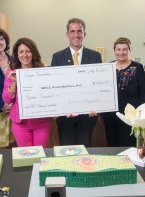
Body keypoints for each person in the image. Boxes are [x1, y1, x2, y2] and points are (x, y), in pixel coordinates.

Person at [51, 18, 102, 147]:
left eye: (79, 31)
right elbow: (54, 87)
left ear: (84, 34)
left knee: (85, 153)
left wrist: (97, 105)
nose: (76, 35)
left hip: (87, 116)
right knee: (67, 153)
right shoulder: (57, 57)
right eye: (72, 31)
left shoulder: (95, 56)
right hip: (65, 117)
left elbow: (99, 84)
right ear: (67, 34)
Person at [2, 37, 51, 148]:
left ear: (33, 53)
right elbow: (7, 99)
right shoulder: (12, 71)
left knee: (39, 155)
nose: (25, 55)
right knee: (26, 156)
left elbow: (50, 95)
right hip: (20, 123)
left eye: (28, 51)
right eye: (21, 52)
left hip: (41, 122)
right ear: (17, 54)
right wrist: (14, 83)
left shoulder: (43, 70)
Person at [101, 37, 145, 147]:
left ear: (129, 50)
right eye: (118, 49)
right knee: (112, 145)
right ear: (114, 51)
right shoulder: (108, 67)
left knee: (128, 146)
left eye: (125, 49)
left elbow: (143, 93)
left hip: (130, 117)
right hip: (110, 115)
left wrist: (141, 116)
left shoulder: (138, 68)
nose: (121, 53)